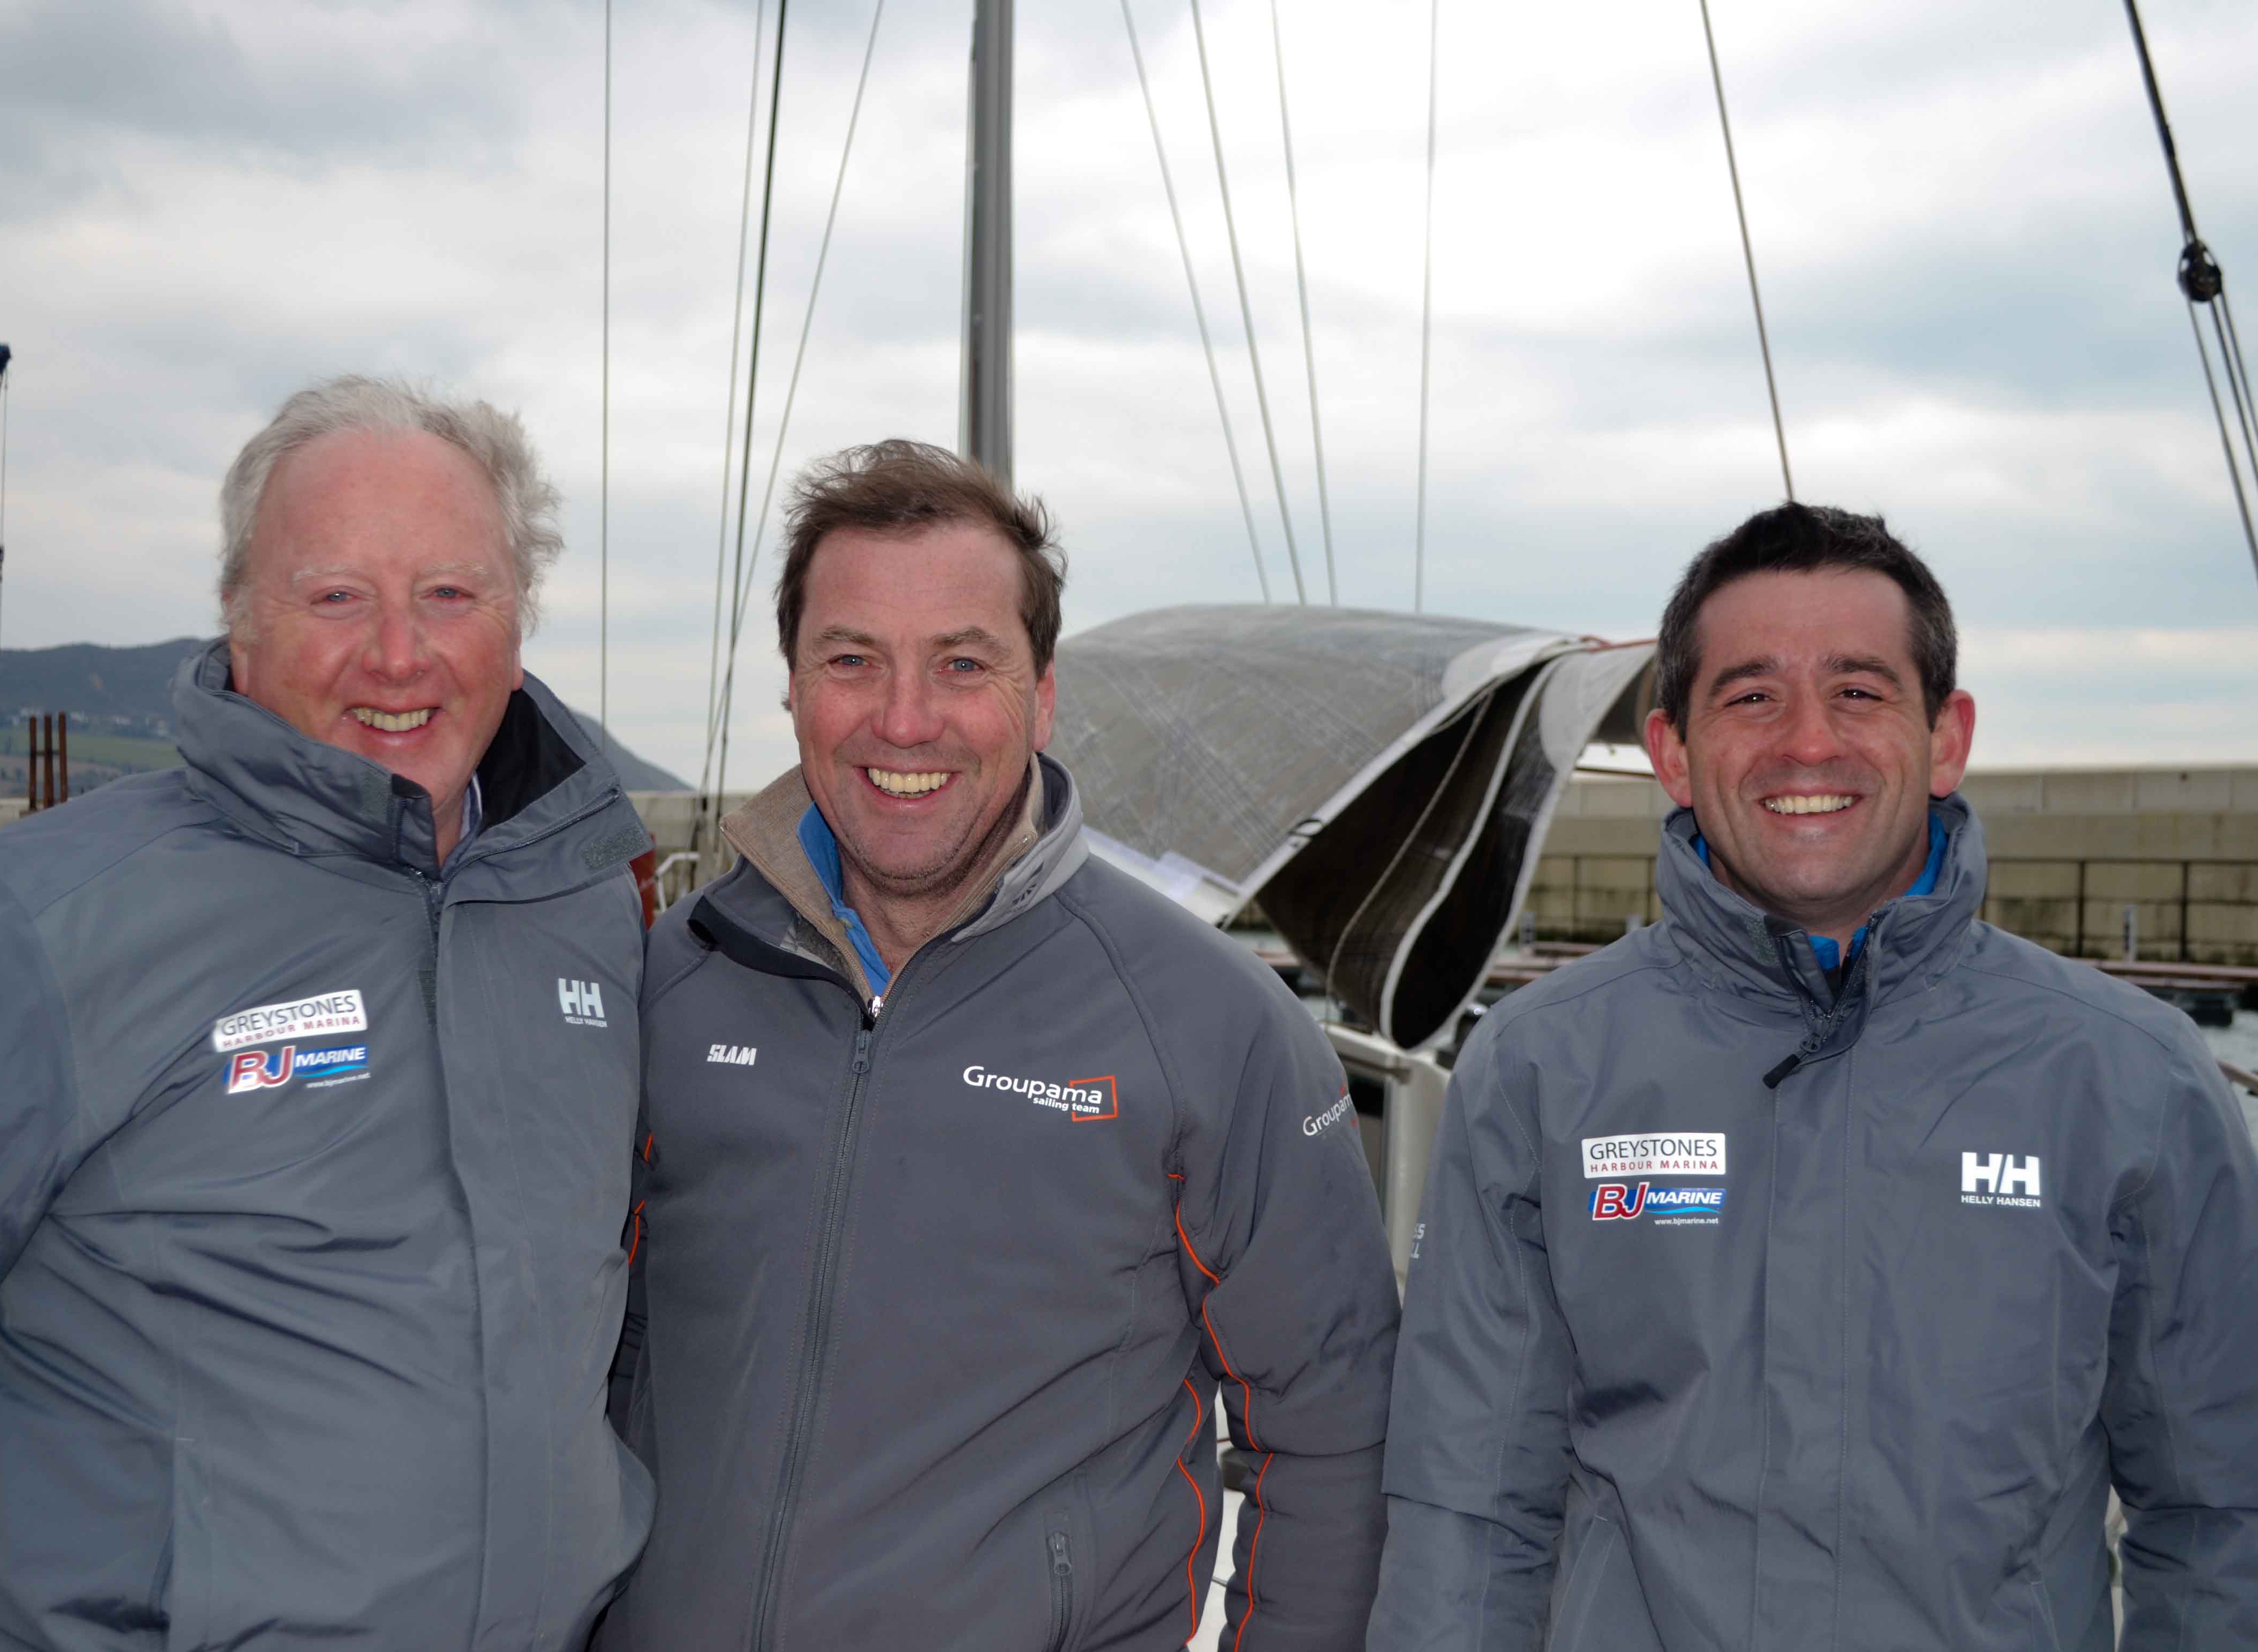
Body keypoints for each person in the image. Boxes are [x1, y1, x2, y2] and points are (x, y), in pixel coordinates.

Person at [0, 378, 657, 1651]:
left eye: (449, 594)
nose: (398, 654)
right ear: (241, 620)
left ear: (517, 625)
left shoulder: (588, 909)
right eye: (335, 595)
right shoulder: (24, 929)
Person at [1368, 502, 2258, 1650]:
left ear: (1946, 738)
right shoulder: (1540, 1067)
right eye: (1751, 697)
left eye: (1859, 691)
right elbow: (1469, 1507)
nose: (1807, 743)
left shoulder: (2134, 1080)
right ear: (1673, 754)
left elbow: (2221, 1512)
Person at [600, 440, 1398, 1651]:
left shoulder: (1208, 1025)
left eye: (962, 664)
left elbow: (1337, 1433)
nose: (904, 719)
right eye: (851, 660)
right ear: (795, 688)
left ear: (1044, 695)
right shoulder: (678, 980)